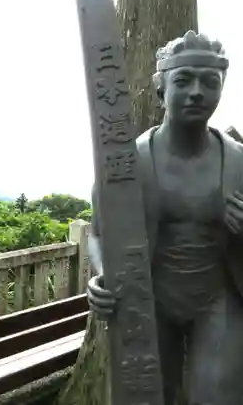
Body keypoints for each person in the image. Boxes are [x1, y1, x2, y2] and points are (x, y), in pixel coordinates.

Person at [87, 30, 243, 405]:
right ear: (160, 90)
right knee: (151, 394)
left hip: (218, 295)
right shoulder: (130, 162)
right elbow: (98, 232)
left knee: (218, 394)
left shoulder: (238, 162)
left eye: (210, 82)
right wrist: (100, 276)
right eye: (183, 80)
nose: (196, 92)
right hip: (149, 296)